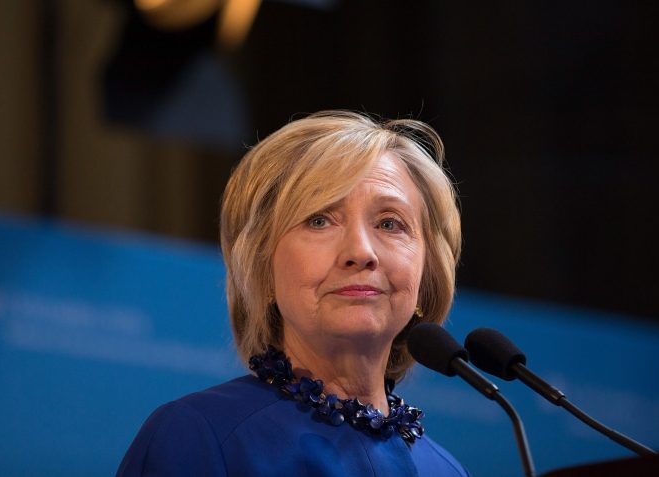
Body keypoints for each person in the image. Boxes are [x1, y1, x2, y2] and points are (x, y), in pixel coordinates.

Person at [116, 111, 465, 476]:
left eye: (389, 223)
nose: (361, 252)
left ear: (427, 276)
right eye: (319, 220)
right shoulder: (197, 437)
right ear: (262, 268)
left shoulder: (447, 470)